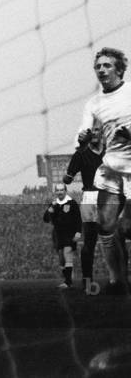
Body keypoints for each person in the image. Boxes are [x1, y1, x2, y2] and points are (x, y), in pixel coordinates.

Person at [76, 47, 131, 294]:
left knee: (126, 228)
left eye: (107, 65)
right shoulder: (94, 104)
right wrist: (84, 136)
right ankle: (116, 280)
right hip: (111, 170)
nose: (101, 70)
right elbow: (83, 132)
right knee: (106, 226)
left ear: (119, 69)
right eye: (98, 66)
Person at [62, 121, 105, 290]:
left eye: (97, 130)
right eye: (92, 130)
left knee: (112, 240)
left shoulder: (110, 153)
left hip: (107, 197)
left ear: (102, 133)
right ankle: (88, 281)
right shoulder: (82, 153)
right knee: (90, 242)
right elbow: (67, 178)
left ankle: (116, 278)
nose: (94, 133)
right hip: (92, 197)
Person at [44, 182, 82, 288]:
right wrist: (49, 210)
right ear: (55, 192)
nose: (60, 192)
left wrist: (78, 233)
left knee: (67, 252)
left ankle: (68, 282)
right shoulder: (53, 204)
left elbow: (78, 220)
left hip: (69, 232)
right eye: (58, 190)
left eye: (62, 190)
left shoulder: (72, 203)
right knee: (61, 257)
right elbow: (46, 219)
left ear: (65, 191)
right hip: (57, 233)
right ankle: (67, 279)